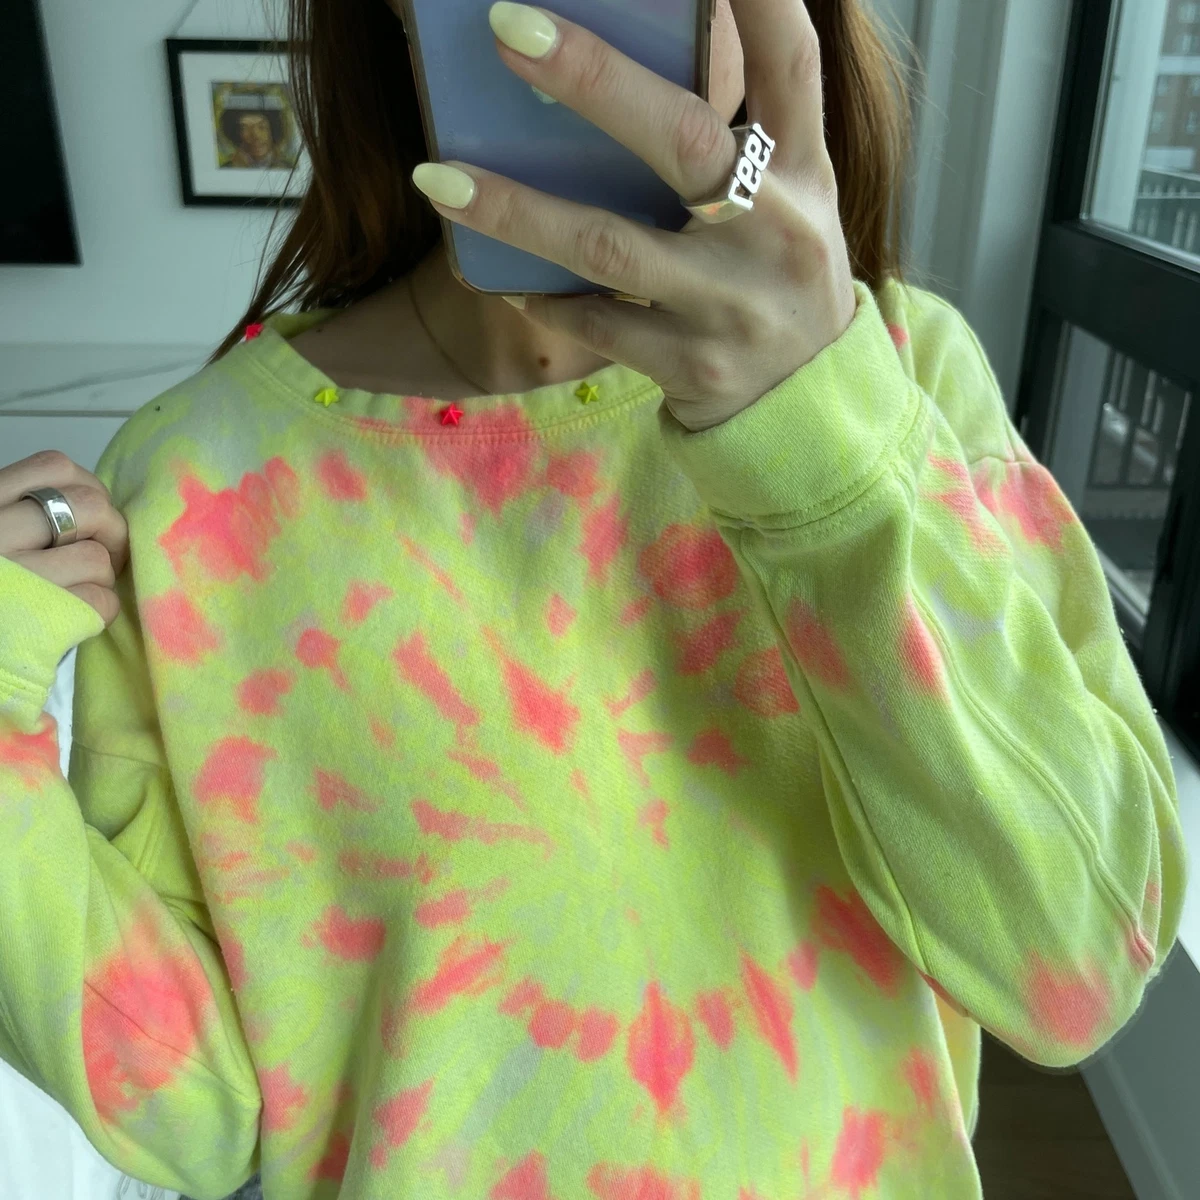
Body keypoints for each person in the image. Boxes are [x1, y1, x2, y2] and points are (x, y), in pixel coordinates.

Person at [0, 0, 1187, 1197]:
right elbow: (196, 1112)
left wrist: (818, 446)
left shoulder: (901, 373)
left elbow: (1082, 959)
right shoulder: (197, 476)